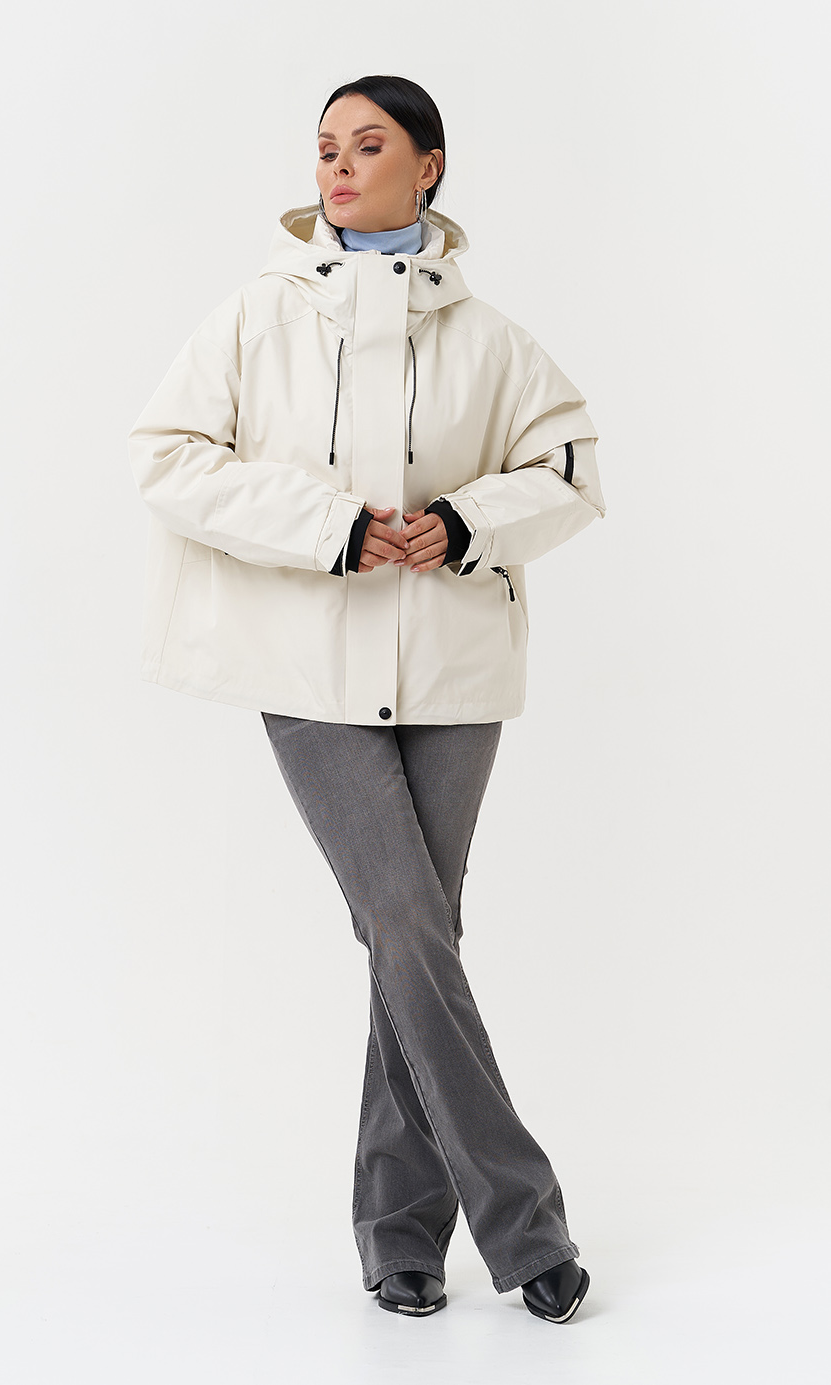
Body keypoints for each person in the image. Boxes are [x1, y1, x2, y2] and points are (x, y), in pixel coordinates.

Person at [127, 74, 606, 1322]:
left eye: (367, 145)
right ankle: (525, 1223)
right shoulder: (255, 317)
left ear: (427, 167)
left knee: (415, 938)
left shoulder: (491, 340)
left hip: (453, 670)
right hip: (307, 669)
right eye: (325, 147)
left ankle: (399, 1237)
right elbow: (166, 460)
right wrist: (329, 524)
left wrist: (463, 520)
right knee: (406, 922)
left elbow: (568, 469)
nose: (337, 167)